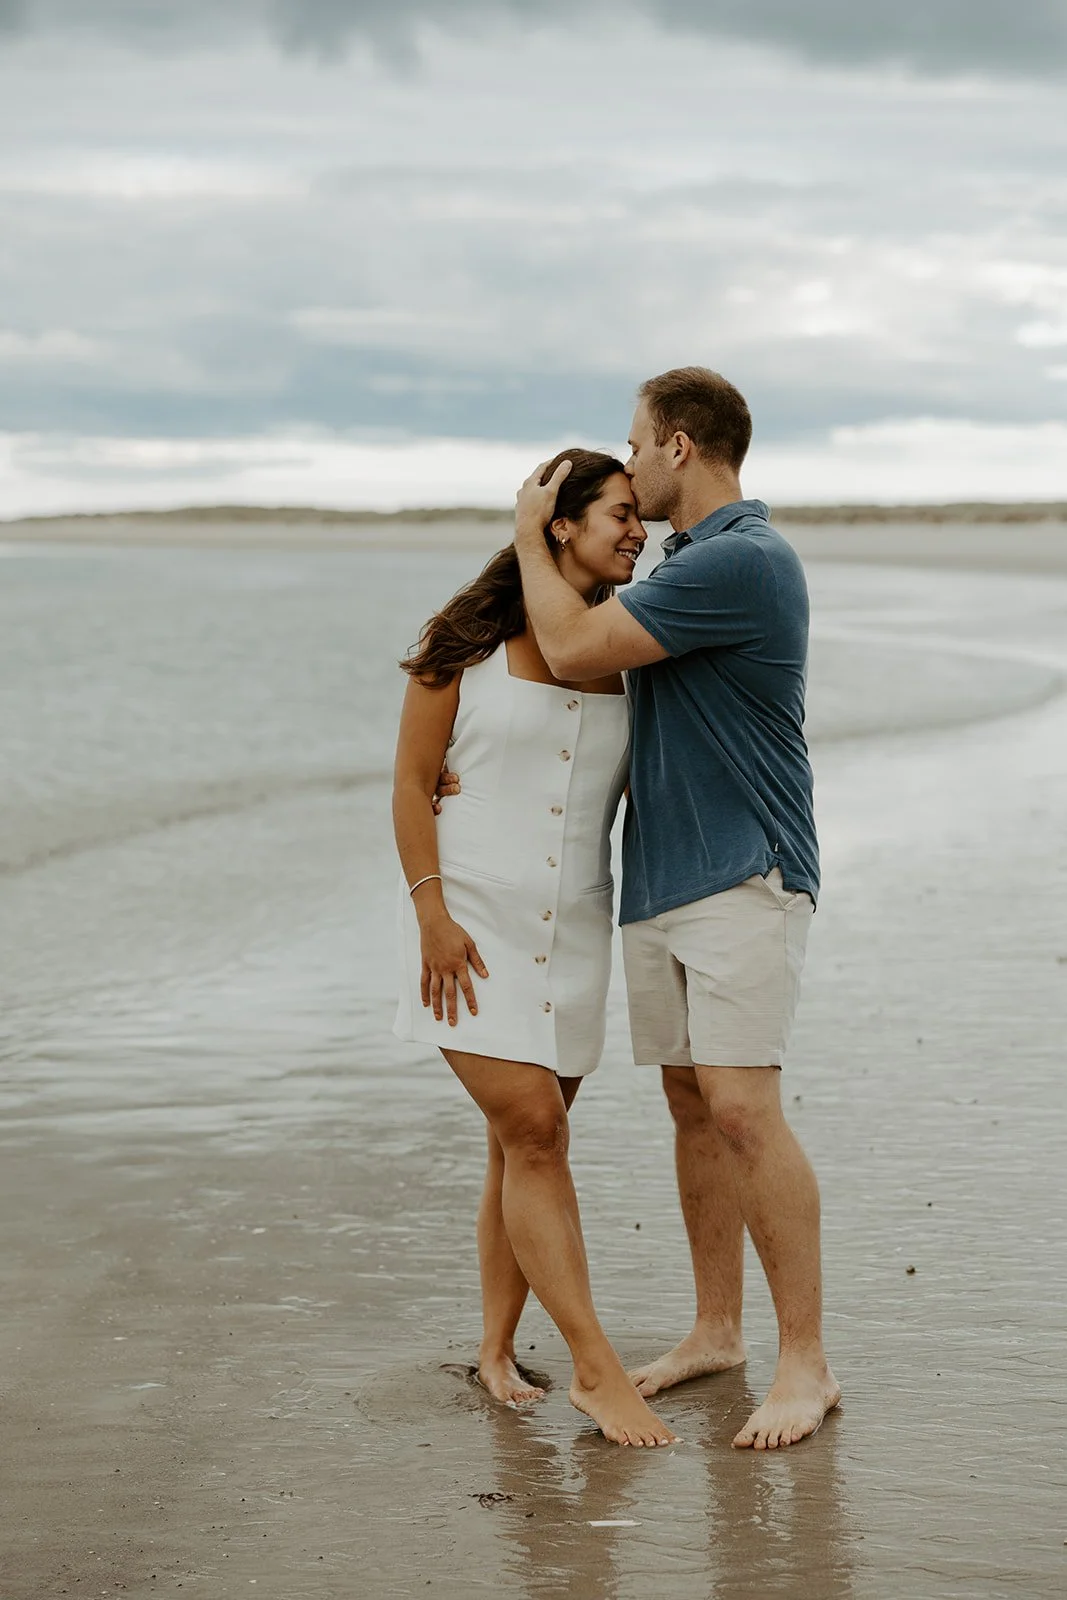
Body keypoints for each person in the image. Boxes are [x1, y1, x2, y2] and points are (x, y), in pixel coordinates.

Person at [504, 368, 841, 1451]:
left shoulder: (739, 559)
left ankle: (804, 1363)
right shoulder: (687, 563)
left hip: (744, 866)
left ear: (680, 448)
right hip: (661, 874)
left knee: (744, 1108)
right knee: (693, 1107)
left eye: (638, 443)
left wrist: (527, 530)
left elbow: (569, 647)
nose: (632, 461)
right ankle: (715, 1330)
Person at [392, 448, 677, 1448]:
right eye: (619, 514)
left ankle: (494, 1346)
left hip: (574, 935)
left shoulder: (626, 651)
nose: (637, 530)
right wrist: (430, 911)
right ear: (558, 524)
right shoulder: (462, 643)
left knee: (517, 1147)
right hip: (466, 937)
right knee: (534, 1137)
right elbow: (411, 784)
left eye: (641, 515)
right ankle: (595, 1370)